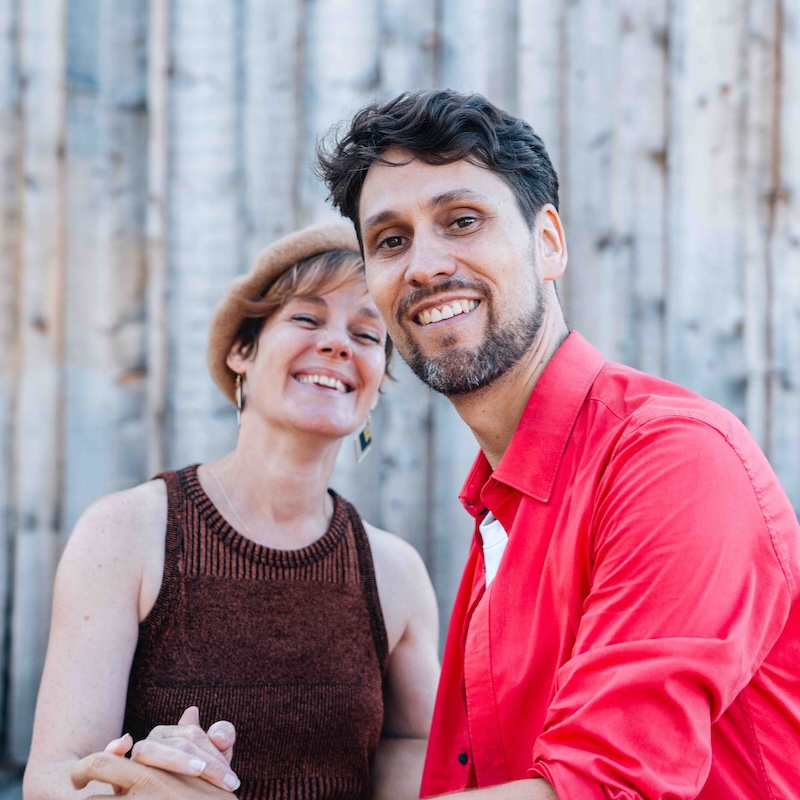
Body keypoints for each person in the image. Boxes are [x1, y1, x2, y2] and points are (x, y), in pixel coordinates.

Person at [72, 91, 800, 799]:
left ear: (548, 243)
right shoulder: (500, 512)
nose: (424, 266)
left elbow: (603, 786)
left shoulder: (671, 459)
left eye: (462, 221)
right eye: (391, 241)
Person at [23, 222, 440, 800]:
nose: (338, 344)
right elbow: (52, 778)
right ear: (241, 351)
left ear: (376, 386)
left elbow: (415, 745)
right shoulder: (126, 533)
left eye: (367, 334)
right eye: (307, 318)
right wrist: (140, 783)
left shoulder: (394, 570)